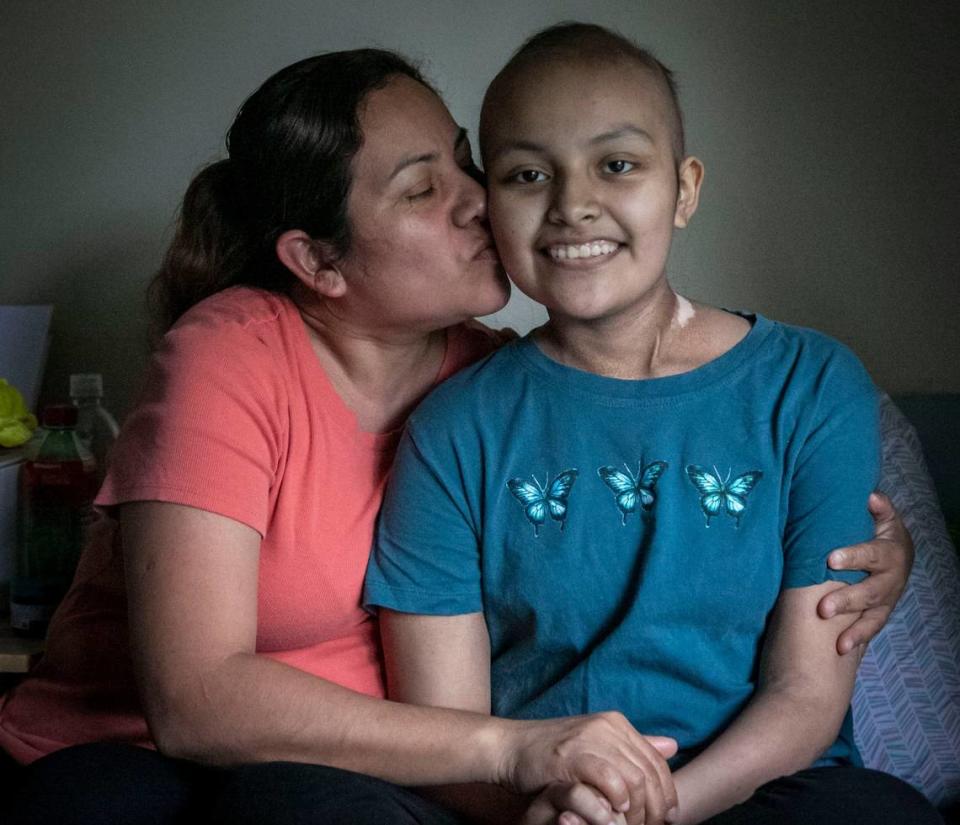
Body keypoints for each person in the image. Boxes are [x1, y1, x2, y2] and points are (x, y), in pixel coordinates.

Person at [0, 46, 912, 825]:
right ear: (317, 261)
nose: (482, 202)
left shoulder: (484, 368)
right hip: (160, 755)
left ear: (685, 188)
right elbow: (196, 701)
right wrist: (524, 760)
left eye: (468, 166)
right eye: (425, 188)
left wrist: (876, 548)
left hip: (420, 768)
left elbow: (787, 644)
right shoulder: (245, 364)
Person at [363, 24, 942, 825]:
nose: (573, 204)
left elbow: (806, 692)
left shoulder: (811, 385)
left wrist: (655, 814)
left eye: (618, 164)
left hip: (762, 797)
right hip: (544, 807)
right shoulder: (454, 429)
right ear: (491, 203)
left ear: (684, 188)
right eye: (528, 174)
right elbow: (449, 731)